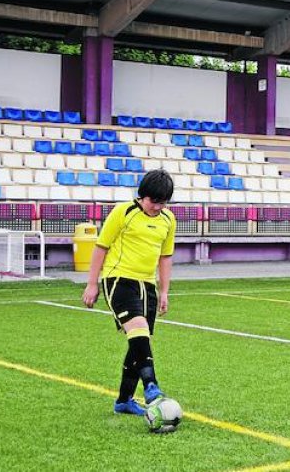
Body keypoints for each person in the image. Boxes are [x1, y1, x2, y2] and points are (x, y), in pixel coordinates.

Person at [81, 169, 177, 416]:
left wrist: (164, 292)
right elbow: (101, 247)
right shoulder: (123, 212)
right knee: (138, 329)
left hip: (148, 286)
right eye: (153, 201)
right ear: (142, 195)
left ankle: (124, 401)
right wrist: (92, 284)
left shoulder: (169, 219)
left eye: (163, 202)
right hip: (118, 279)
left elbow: (165, 257)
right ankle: (151, 386)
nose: (157, 207)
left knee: (139, 342)